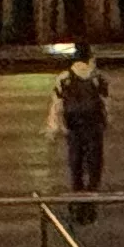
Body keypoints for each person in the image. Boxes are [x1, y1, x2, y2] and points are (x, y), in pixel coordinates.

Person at [52, 45, 109, 196]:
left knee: (75, 155)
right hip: (94, 122)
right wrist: (107, 120)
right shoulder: (97, 77)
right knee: (94, 155)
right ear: (90, 59)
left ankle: (77, 186)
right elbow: (105, 101)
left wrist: (55, 126)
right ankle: (93, 186)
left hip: (73, 122)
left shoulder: (64, 77)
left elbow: (57, 104)